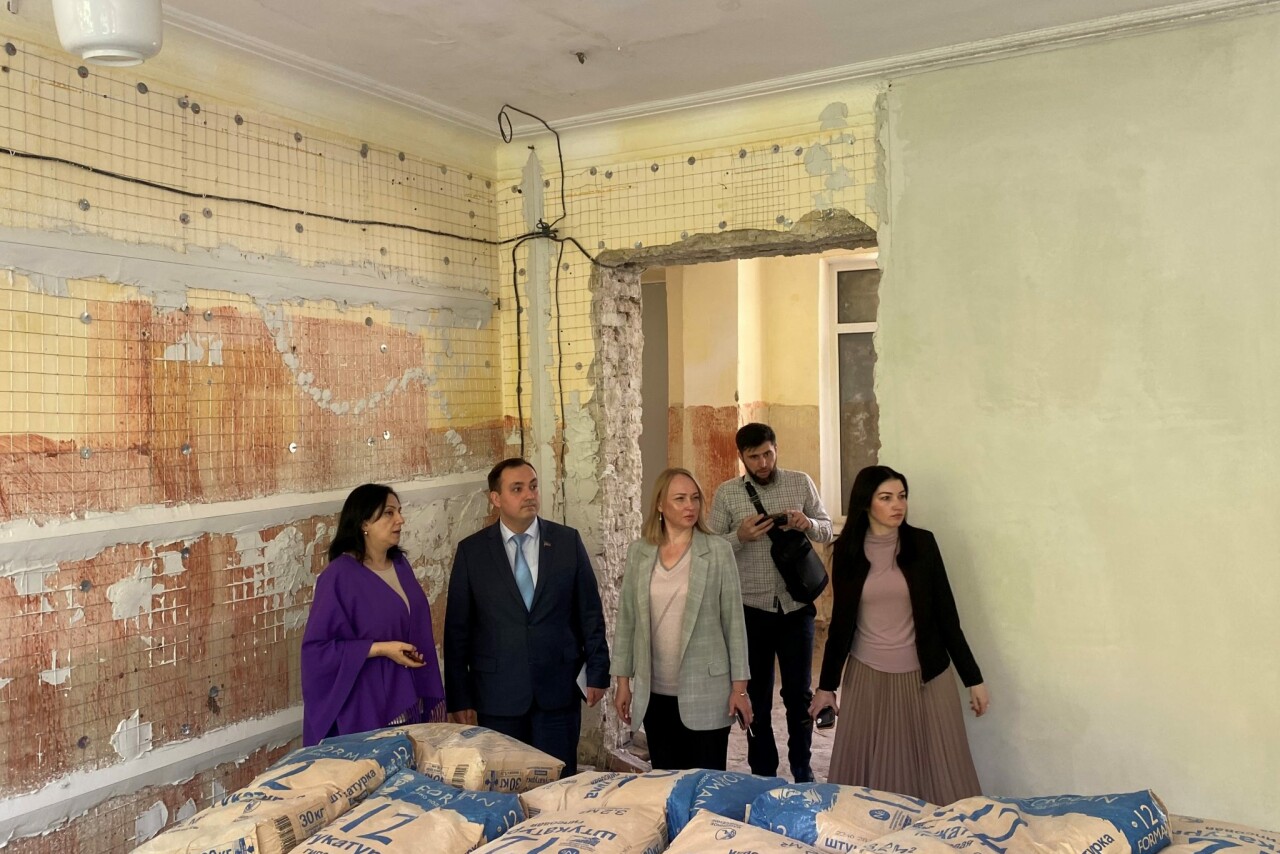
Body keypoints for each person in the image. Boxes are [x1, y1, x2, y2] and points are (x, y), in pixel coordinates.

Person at [810, 465, 990, 805]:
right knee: (874, 778)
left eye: (902, 496)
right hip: (868, 677)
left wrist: (973, 679)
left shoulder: (923, 544)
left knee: (941, 769)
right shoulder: (846, 551)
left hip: (926, 676)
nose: (898, 505)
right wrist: (826, 687)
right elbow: (841, 625)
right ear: (866, 503)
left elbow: (947, 617)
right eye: (886, 498)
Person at [444, 458, 610, 775]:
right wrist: (459, 697)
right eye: (517, 489)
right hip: (498, 696)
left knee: (559, 782)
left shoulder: (566, 542)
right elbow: (457, 632)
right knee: (507, 783)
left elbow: (590, 611)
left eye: (533, 486)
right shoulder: (472, 552)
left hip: (558, 691)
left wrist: (598, 671)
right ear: (496, 498)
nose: (529, 495)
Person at [709, 423, 832, 782]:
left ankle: (803, 769)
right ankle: (763, 773)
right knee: (757, 697)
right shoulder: (728, 494)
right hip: (751, 611)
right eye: (754, 457)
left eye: (768, 454)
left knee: (798, 694)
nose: (763, 463)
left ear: (776, 448)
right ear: (741, 457)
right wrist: (739, 536)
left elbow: (827, 528)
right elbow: (710, 549)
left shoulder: (800, 482)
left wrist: (807, 523)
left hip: (797, 607)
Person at [612, 468, 753, 771]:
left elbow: (734, 623)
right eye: (680, 499)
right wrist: (622, 682)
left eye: (695, 498)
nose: (690, 505)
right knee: (666, 779)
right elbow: (627, 621)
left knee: (706, 782)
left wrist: (739, 689)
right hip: (656, 693)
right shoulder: (640, 552)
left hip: (707, 691)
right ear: (660, 505)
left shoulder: (718, 551)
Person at [301, 484, 446, 745]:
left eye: (399, 511)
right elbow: (316, 650)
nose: (400, 519)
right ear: (364, 523)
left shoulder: (401, 566)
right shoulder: (339, 576)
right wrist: (380, 649)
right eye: (389, 513)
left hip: (409, 700)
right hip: (368, 708)